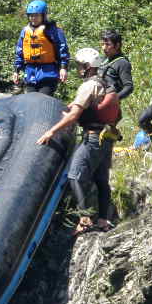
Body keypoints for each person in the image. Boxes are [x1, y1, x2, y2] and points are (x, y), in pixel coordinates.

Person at [36, 48, 119, 235]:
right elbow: (84, 105)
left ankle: (84, 219)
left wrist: (51, 131)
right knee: (101, 180)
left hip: (93, 138)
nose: (78, 68)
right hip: (107, 137)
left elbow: (74, 115)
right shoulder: (105, 83)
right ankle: (103, 220)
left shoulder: (88, 86)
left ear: (88, 66)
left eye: (80, 65)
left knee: (74, 175)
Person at [13, 0, 69, 96]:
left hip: (48, 73)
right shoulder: (25, 31)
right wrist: (16, 71)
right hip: (30, 74)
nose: (33, 18)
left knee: (43, 99)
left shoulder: (53, 30)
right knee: (31, 101)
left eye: (36, 15)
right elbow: (19, 52)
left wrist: (63, 68)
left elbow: (62, 49)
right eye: (31, 15)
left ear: (43, 15)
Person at [98, 29, 133, 102]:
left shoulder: (122, 63)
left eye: (107, 44)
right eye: (102, 44)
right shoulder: (101, 59)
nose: (103, 47)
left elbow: (129, 87)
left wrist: (113, 99)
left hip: (109, 104)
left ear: (117, 45)